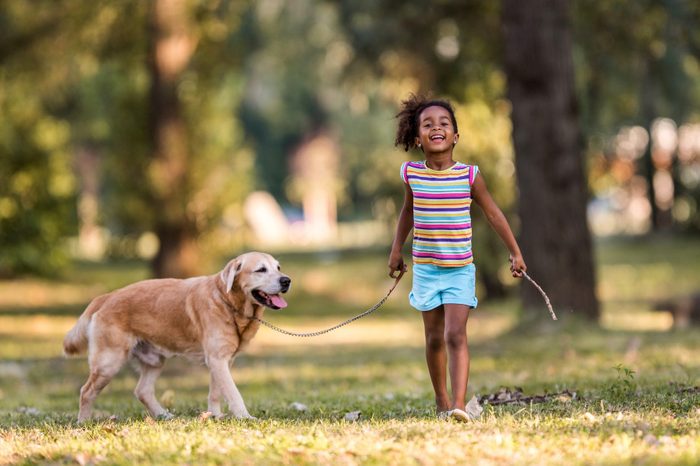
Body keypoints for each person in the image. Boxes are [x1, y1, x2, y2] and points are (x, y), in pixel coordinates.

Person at [388, 94, 527, 422]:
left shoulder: (469, 175)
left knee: (455, 334)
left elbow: (493, 214)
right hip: (425, 268)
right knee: (434, 337)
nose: (437, 128)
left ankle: (459, 406)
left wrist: (515, 251)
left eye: (444, 123)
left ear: (455, 136)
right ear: (418, 137)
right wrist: (396, 249)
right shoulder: (412, 175)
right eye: (428, 124)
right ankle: (442, 400)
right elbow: (408, 212)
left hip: (459, 269)